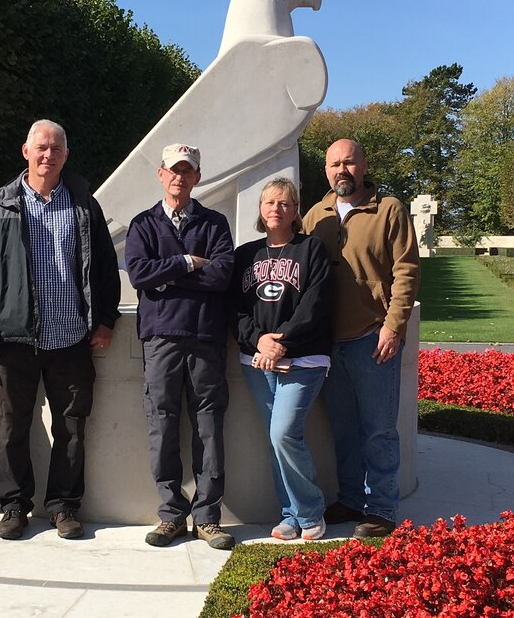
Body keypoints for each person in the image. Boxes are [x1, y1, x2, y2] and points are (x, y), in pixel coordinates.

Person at [0, 119, 121, 541]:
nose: (47, 155)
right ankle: (14, 506)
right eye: (41, 147)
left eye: (56, 149)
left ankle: (64, 507)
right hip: (14, 338)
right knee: (12, 425)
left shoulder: (83, 204)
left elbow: (105, 267)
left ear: (65, 156)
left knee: (71, 427)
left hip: (71, 337)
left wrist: (105, 319)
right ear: (26, 151)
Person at [302, 138, 420, 538]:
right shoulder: (315, 215)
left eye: (349, 163)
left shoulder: (388, 210)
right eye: (335, 164)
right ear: (326, 170)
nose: (342, 170)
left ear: (364, 165)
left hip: (372, 337)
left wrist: (394, 324)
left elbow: (406, 271)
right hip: (326, 344)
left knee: (378, 428)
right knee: (344, 429)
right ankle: (351, 498)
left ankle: (382, 508)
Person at [124, 143, 236, 550]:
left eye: (187, 171)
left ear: (197, 177)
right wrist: (188, 263)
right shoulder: (143, 224)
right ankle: (171, 514)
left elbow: (222, 275)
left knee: (208, 426)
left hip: (205, 336)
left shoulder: (215, 223)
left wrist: (167, 276)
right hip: (160, 339)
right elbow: (138, 274)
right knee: (163, 423)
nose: (179, 177)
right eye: (173, 170)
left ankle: (207, 517)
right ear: (161, 173)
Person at [233, 177, 332, 541]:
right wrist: (259, 341)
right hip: (257, 362)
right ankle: (289, 514)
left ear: (295, 210)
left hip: (304, 359)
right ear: (261, 210)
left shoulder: (312, 250)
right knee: (276, 440)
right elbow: (236, 309)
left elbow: (315, 305)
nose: (276, 208)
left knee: (283, 432)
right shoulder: (246, 255)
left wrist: (282, 343)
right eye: (270, 202)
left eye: (285, 203)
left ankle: (309, 511)